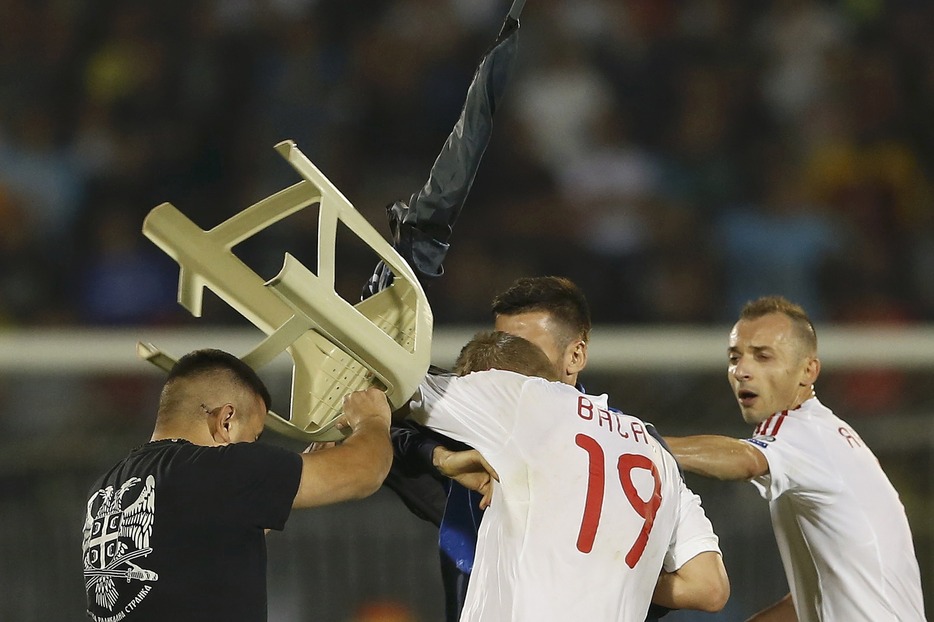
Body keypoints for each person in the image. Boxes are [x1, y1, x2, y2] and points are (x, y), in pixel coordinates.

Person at [388, 275, 719, 620]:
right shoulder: (651, 446)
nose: (499, 366)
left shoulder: (523, 408)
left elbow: (386, 382)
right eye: (499, 344)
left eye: (521, 349)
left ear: (575, 355)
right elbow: (707, 585)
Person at [663, 295, 925, 621]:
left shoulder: (798, 430)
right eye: (735, 357)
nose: (742, 370)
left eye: (762, 356)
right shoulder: (827, 436)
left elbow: (745, 459)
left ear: (807, 371)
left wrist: (640, 442)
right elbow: (809, 599)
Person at [81, 348, 393, 622]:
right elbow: (366, 471)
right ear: (226, 420)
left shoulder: (108, 487)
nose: (252, 447)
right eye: (254, 437)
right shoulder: (216, 469)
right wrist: (372, 420)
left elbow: (208, 534)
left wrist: (293, 477)